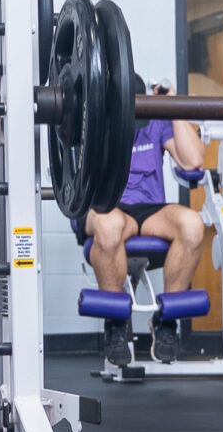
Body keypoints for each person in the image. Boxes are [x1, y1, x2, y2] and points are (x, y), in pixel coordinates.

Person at [81, 79, 207, 370]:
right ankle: (116, 325)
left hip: (151, 211)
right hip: (107, 205)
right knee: (109, 226)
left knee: (193, 224)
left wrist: (172, 106)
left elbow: (193, 161)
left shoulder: (157, 119)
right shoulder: (98, 120)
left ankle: (166, 321)